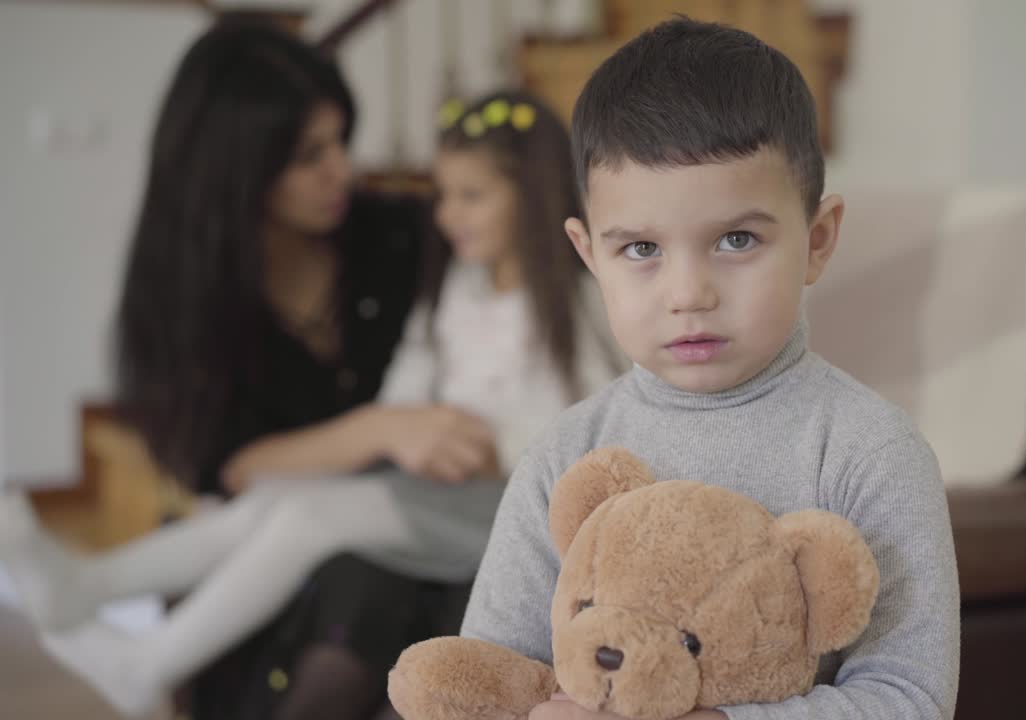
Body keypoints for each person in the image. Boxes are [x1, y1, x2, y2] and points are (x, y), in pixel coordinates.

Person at [0, 20, 617, 720]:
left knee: (307, 517)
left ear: (531, 194)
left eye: (469, 197)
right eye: (309, 155)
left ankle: (148, 662)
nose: (443, 217)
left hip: (495, 506)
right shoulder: (457, 284)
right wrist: (399, 426)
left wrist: (480, 443)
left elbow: (592, 418)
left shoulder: (572, 300)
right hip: (428, 487)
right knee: (278, 502)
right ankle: (91, 584)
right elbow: (409, 374)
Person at [457, 18, 960, 720]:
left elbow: (910, 698)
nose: (688, 293)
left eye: (736, 239)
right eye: (641, 250)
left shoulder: (871, 452)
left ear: (817, 241)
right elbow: (495, 668)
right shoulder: (564, 455)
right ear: (590, 256)